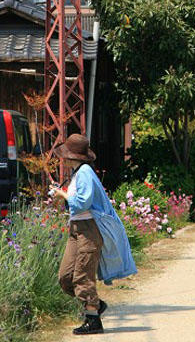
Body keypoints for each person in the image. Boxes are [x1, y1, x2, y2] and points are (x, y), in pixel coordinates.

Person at [51, 133, 137, 336]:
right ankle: (95, 305)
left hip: (89, 230)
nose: (63, 158)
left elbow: (83, 202)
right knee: (65, 277)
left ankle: (93, 321)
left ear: (72, 156)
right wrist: (62, 197)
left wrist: (62, 194)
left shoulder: (85, 173)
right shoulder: (77, 173)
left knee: (82, 275)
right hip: (76, 228)